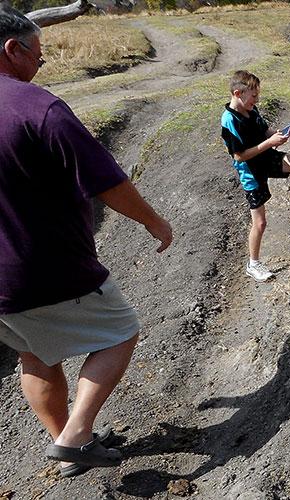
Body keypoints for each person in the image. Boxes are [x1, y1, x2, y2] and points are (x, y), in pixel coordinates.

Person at [0, 6, 173, 477]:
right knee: (121, 330)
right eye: (38, 54)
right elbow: (104, 181)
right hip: (43, 267)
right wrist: (155, 222)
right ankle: (75, 439)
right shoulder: (37, 108)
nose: (41, 65)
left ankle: (67, 437)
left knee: (34, 351)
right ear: (12, 50)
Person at [221, 70, 290, 282]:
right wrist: (268, 143)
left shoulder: (250, 110)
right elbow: (240, 156)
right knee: (260, 223)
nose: (257, 100)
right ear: (237, 93)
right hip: (251, 172)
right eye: (253, 96)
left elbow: (264, 129)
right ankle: (253, 264)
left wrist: (276, 135)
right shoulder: (229, 121)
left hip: (267, 157)